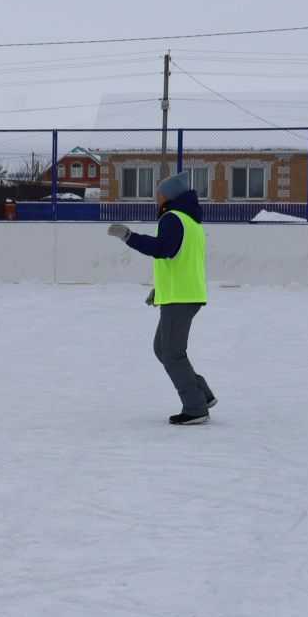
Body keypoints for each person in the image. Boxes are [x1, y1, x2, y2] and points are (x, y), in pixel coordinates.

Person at [107, 171, 217, 426]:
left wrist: (129, 237)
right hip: (186, 293)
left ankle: (195, 407)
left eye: (159, 194)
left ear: (169, 196)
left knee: (171, 353)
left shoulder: (172, 218)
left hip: (181, 297)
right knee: (163, 349)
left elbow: (163, 249)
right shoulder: (192, 222)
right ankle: (203, 394)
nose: (156, 198)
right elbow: (181, 261)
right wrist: (161, 289)